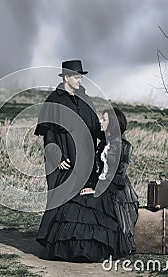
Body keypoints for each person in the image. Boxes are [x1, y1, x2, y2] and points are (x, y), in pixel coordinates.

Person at [37, 105, 139, 262]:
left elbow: (115, 175)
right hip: (98, 186)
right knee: (73, 203)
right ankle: (70, 250)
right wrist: (89, 186)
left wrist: (96, 190)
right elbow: (97, 171)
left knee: (89, 207)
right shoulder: (103, 144)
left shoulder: (122, 146)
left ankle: (91, 250)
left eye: (104, 119)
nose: (100, 122)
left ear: (113, 123)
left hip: (112, 192)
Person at [34, 60, 105, 254]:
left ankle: (79, 246)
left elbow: (95, 127)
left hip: (85, 157)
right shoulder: (54, 100)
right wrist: (57, 157)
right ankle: (56, 247)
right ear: (66, 77)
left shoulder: (85, 99)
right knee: (62, 199)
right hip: (64, 159)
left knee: (83, 201)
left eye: (81, 76)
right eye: (76, 76)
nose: (80, 80)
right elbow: (48, 134)